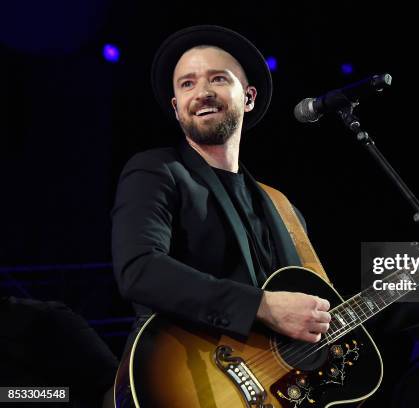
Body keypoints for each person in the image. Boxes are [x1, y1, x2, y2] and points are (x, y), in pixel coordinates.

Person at [111, 25, 332, 350]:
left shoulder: (283, 208)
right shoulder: (156, 171)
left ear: (249, 98)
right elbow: (139, 269)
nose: (202, 92)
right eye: (188, 83)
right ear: (176, 107)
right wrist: (263, 306)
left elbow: (329, 315)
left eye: (218, 78)